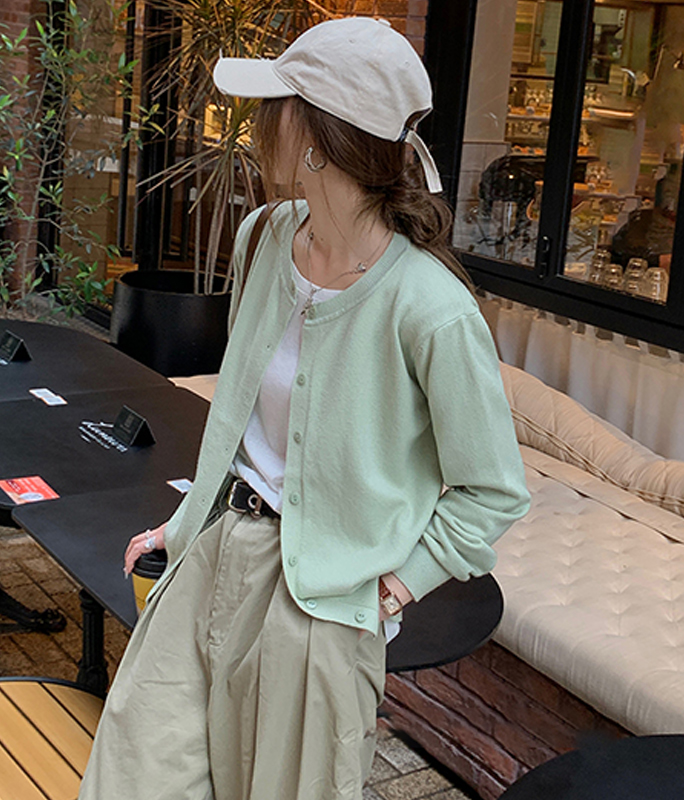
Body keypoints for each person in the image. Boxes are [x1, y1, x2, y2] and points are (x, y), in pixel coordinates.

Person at [79, 16, 529, 800]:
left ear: (318, 138)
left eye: (275, 105)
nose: (256, 124)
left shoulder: (430, 308)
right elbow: (244, 420)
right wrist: (184, 526)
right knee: (133, 774)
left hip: (320, 606)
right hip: (218, 553)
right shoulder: (263, 238)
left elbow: (492, 488)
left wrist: (400, 583)